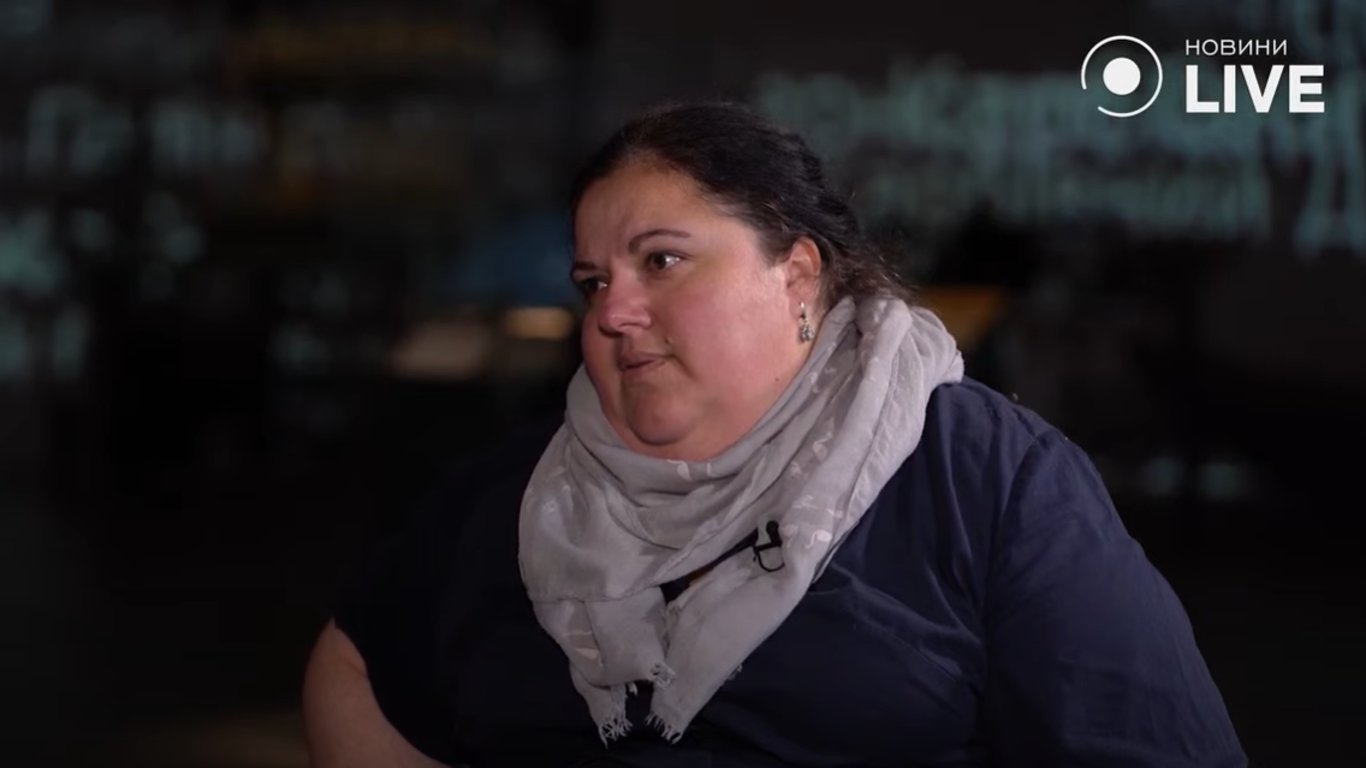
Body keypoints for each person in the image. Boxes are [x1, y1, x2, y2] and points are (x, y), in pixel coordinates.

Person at [302, 100, 1246, 767]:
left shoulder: (984, 480)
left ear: (795, 276)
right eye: (594, 283)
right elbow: (353, 659)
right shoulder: (521, 490)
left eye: (661, 261)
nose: (614, 311)